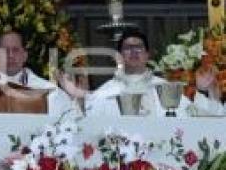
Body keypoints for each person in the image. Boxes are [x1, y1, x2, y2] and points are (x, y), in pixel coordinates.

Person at [89, 31, 223, 117]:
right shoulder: (104, 94)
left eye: (139, 48)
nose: (134, 52)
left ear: (147, 55)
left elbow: (203, 119)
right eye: (128, 48)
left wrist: (211, 90)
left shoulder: (166, 89)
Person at [0, 30, 75, 115]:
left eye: (16, 50)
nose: (11, 55)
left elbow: (72, 127)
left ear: (25, 55)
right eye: (5, 51)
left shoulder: (50, 93)